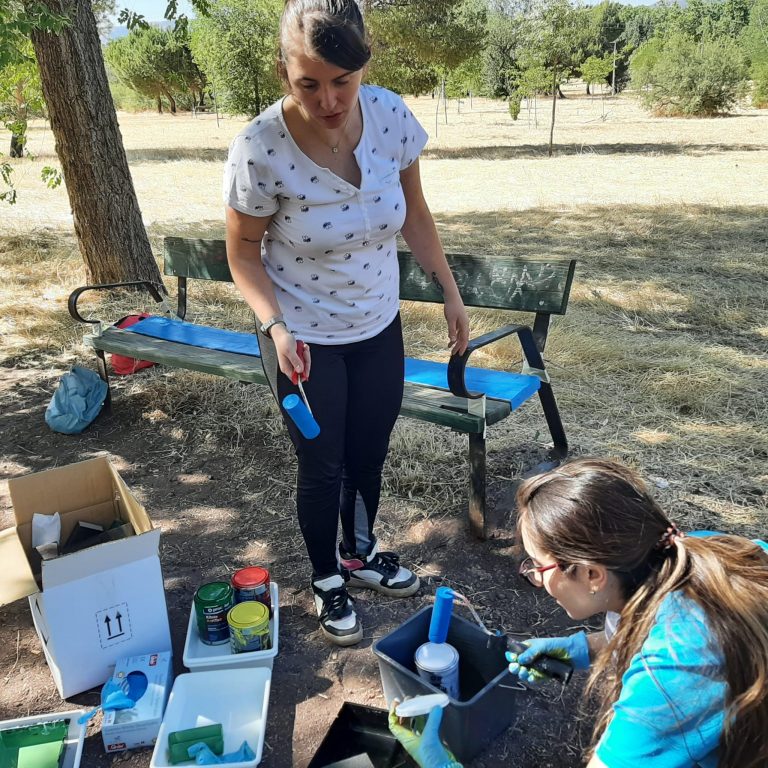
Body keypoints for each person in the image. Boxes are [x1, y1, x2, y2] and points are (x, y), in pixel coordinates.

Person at [223, 0, 469, 647]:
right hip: (301, 338)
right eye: (309, 83)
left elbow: (416, 214)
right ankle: (327, 577)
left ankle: (359, 553)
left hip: (378, 326)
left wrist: (449, 292)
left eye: (343, 80)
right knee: (322, 465)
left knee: (368, 453)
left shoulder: (390, 118)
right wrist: (275, 328)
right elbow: (242, 252)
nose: (328, 100)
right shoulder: (260, 147)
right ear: (284, 72)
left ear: (364, 65)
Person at [390, 458, 768, 767]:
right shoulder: (691, 550)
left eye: (538, 566)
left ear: (591, 575)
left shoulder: (672, 676)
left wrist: (441, 764)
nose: (536, 579)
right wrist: (583, 648)